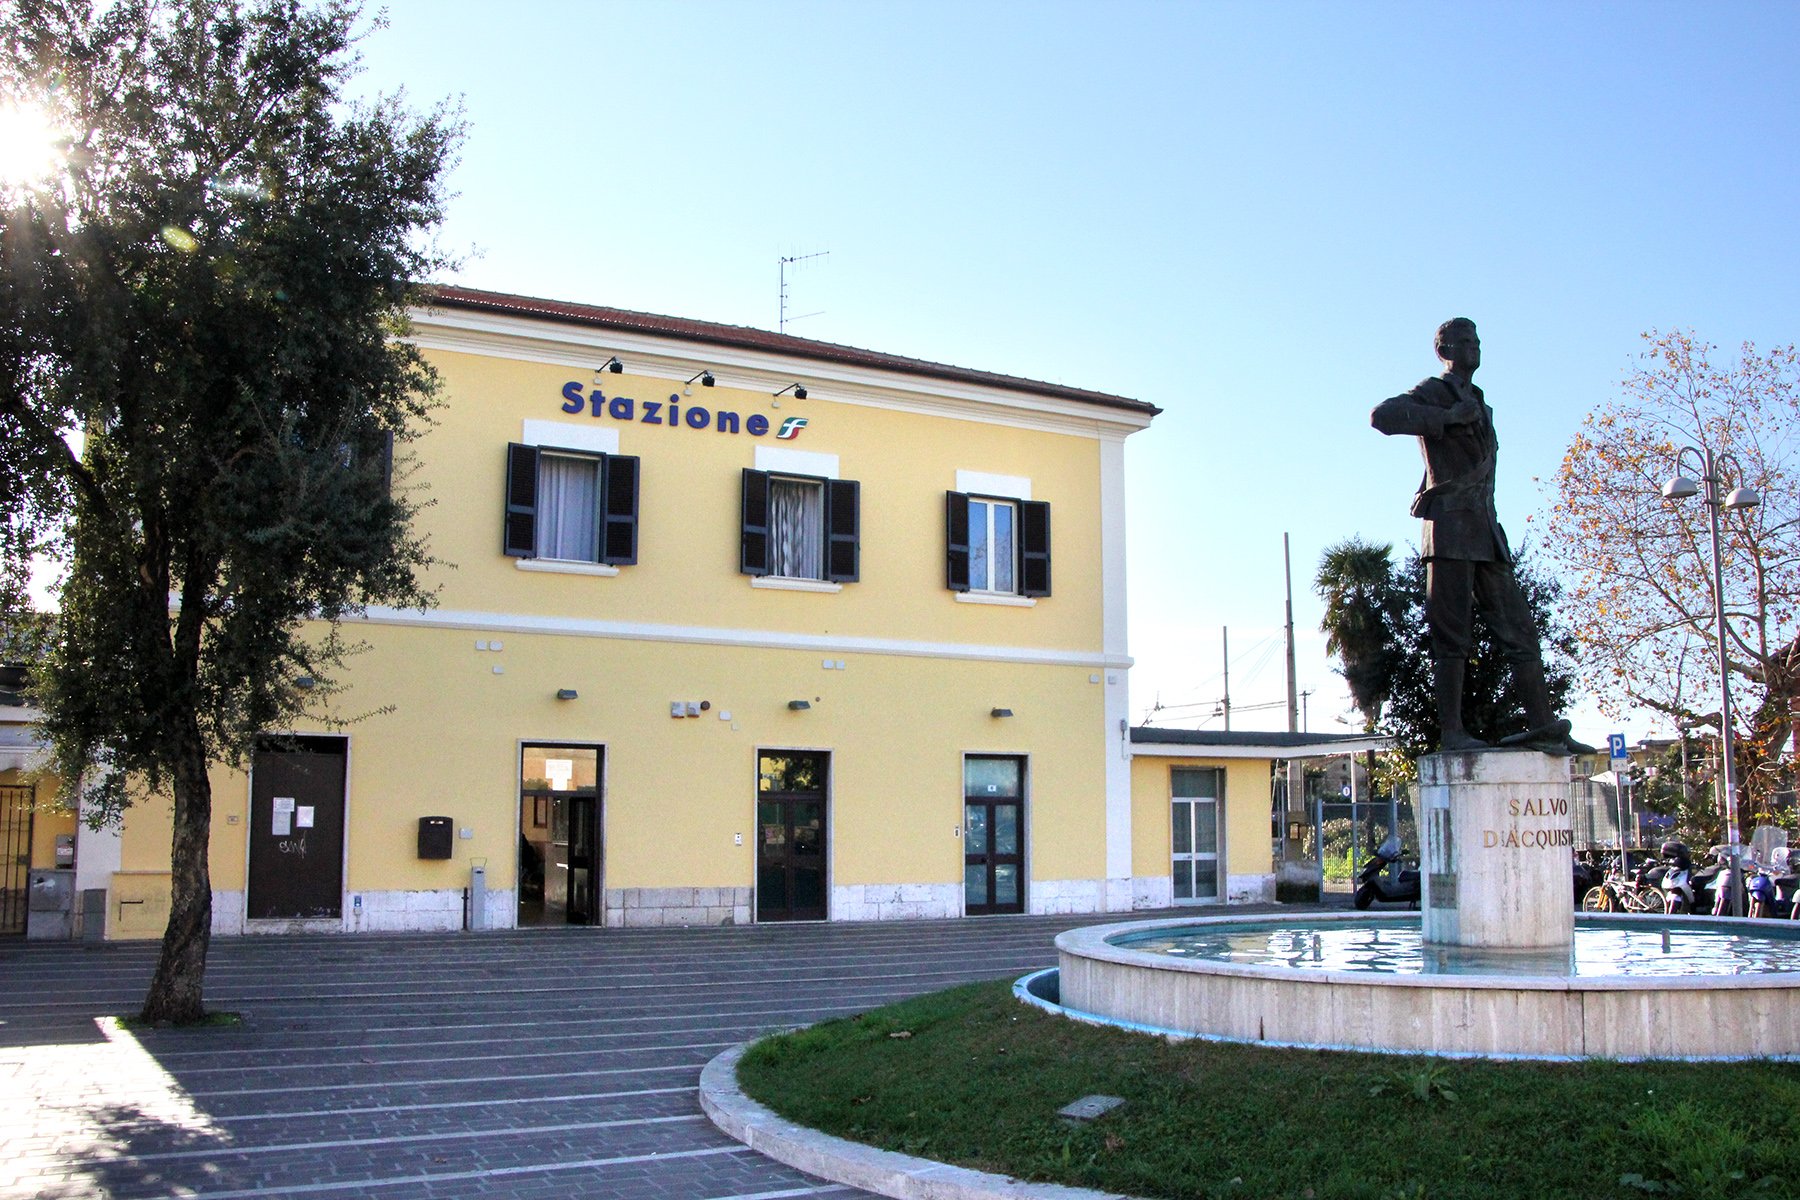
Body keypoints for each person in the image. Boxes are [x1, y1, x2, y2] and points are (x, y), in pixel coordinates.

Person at [1371, 318, 1582, 754]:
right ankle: (1452, 732)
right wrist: (1446, 419)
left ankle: (1543, 724)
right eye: (1465, 341)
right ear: (1444, 348)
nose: (1475, 347)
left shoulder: (1483, 405)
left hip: (1486, 532)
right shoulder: (1434, 391)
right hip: (1448, 529)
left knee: (1520, 631)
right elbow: (1382, 416)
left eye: (1477, 340)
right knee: (1452, 635)